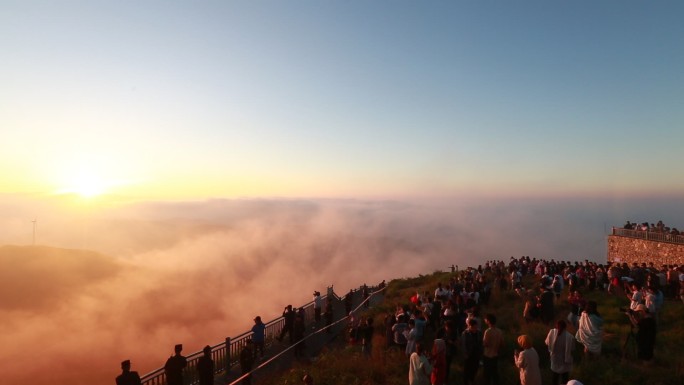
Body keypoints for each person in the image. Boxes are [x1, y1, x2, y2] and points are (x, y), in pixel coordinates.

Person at [545, 320, 575, 385]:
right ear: (565, 327)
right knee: (565, 380)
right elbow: (572, 349)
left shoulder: (552, 333)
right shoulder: (569, 337)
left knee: (555, 378)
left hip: (555, 359)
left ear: (556, 326)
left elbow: (547, 342)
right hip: (565, 361)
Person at [482, 314, 504, 385]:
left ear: (488, 321)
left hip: (488, 355)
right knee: (495, 373)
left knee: (487, 374)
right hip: (495, 354)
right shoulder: (499, 331)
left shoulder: (487, 331)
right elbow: (502, 344)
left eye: (485, 319)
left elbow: (485, 344)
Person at [461, 318, 483, 385]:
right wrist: (465, 354)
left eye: (476, 327)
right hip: (468, 354)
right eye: (473, 327)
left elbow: (480, 342)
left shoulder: (479, 333)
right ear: (469, 326)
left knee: (475, 368)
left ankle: (471, 379)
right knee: (466, 369)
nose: (475, 328)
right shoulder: (465, 333)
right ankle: (466, 382)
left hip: (476, 354)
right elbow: (463, 344)